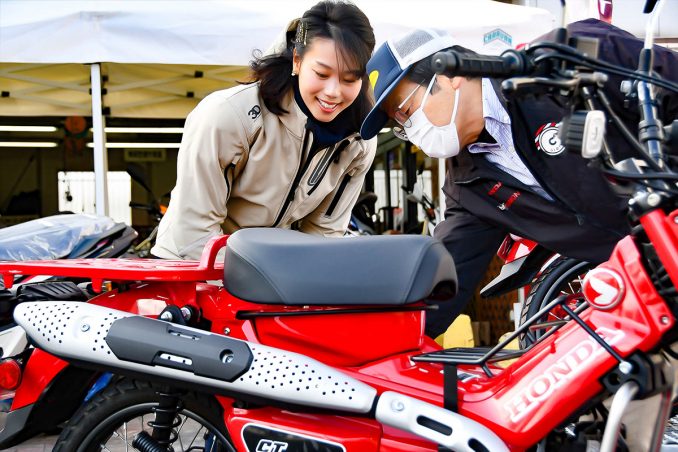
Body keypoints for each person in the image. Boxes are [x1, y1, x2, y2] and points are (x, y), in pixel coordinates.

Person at [360, 23, 678, 338]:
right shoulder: (468, 188)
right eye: (399, 124)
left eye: (406, 110)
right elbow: (443, 282)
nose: (411, 131)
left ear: (450, 75)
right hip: (655, 285)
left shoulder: (564, 61)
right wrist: (376, 344)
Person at [152, 0, 376, 260]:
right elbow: (194, 232)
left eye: (350, 79)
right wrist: (254, 283)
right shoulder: (230, 116)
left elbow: (323, 234)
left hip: (268, 272)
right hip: (189, 266)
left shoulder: (359, 140)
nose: (334, 92)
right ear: (297, 61)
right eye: (322, 74)